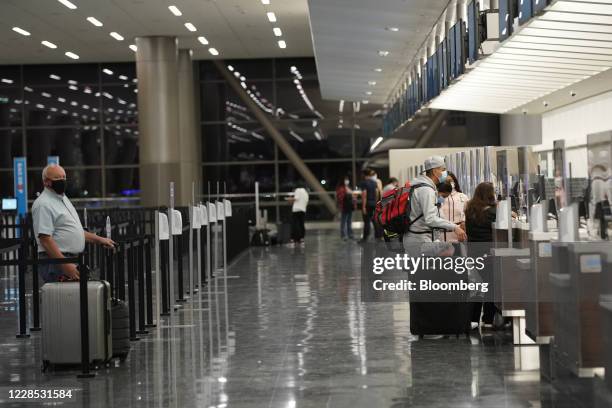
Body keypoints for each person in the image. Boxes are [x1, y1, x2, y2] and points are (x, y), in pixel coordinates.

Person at [32, 164, 116, 283]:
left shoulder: (63, 199)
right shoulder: (43, 204)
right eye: (57, 178)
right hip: (58, 263)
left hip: (70, 259)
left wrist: (99, 239)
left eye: (64, 177)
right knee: (64, 299)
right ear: (46, 182)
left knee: (77, 299)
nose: (62, 181)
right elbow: (45, 239)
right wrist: (65, 264)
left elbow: (72, 230)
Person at [403, 156, 467, 250]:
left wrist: (455, 226)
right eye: (443, 169)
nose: (445, 172)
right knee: (449, 250)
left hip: (418, 239)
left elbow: (434, 215)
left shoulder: (421, 186)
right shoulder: (426, 190)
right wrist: (454, 227)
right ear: (434, 171)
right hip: (420, 241)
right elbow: (431, 219)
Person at [464, 182, 498, 329]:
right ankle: (488, 319)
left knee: (478, 285)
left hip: (473, 252)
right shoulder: (492, 212)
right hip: (488, 252)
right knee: (490, 285)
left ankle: (473, 319)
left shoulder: (470, 209)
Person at [437, 172, 469, 242]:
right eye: (446, 181)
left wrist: (464, 223)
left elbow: (468, 215)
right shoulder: (439, 196)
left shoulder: (462, 197)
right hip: (441, 234)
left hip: (459, 234)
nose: (448, 183)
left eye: (450, 181)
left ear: (454, 182)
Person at [358, 169, 378, 243]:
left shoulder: (363, 183)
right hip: (373, 203)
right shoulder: (374, 182)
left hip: (367, 204)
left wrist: (363, 207)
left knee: (366, 221)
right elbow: (376, 193)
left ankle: (365, 238)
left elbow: (364, 195)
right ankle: (378, 236)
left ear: (364, 175)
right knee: (374, 220)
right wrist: (376, 202)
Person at [336, 176, 355, 240]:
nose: (347, 181)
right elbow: (340, 198)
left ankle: (350, 234)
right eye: (345, 180)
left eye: (347, 179)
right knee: (343, 221)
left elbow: (352, 196)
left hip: (349, 206)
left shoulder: (348, 187)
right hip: (344, 206)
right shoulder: (341, 188)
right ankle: (343, 234)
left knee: (349, 220)